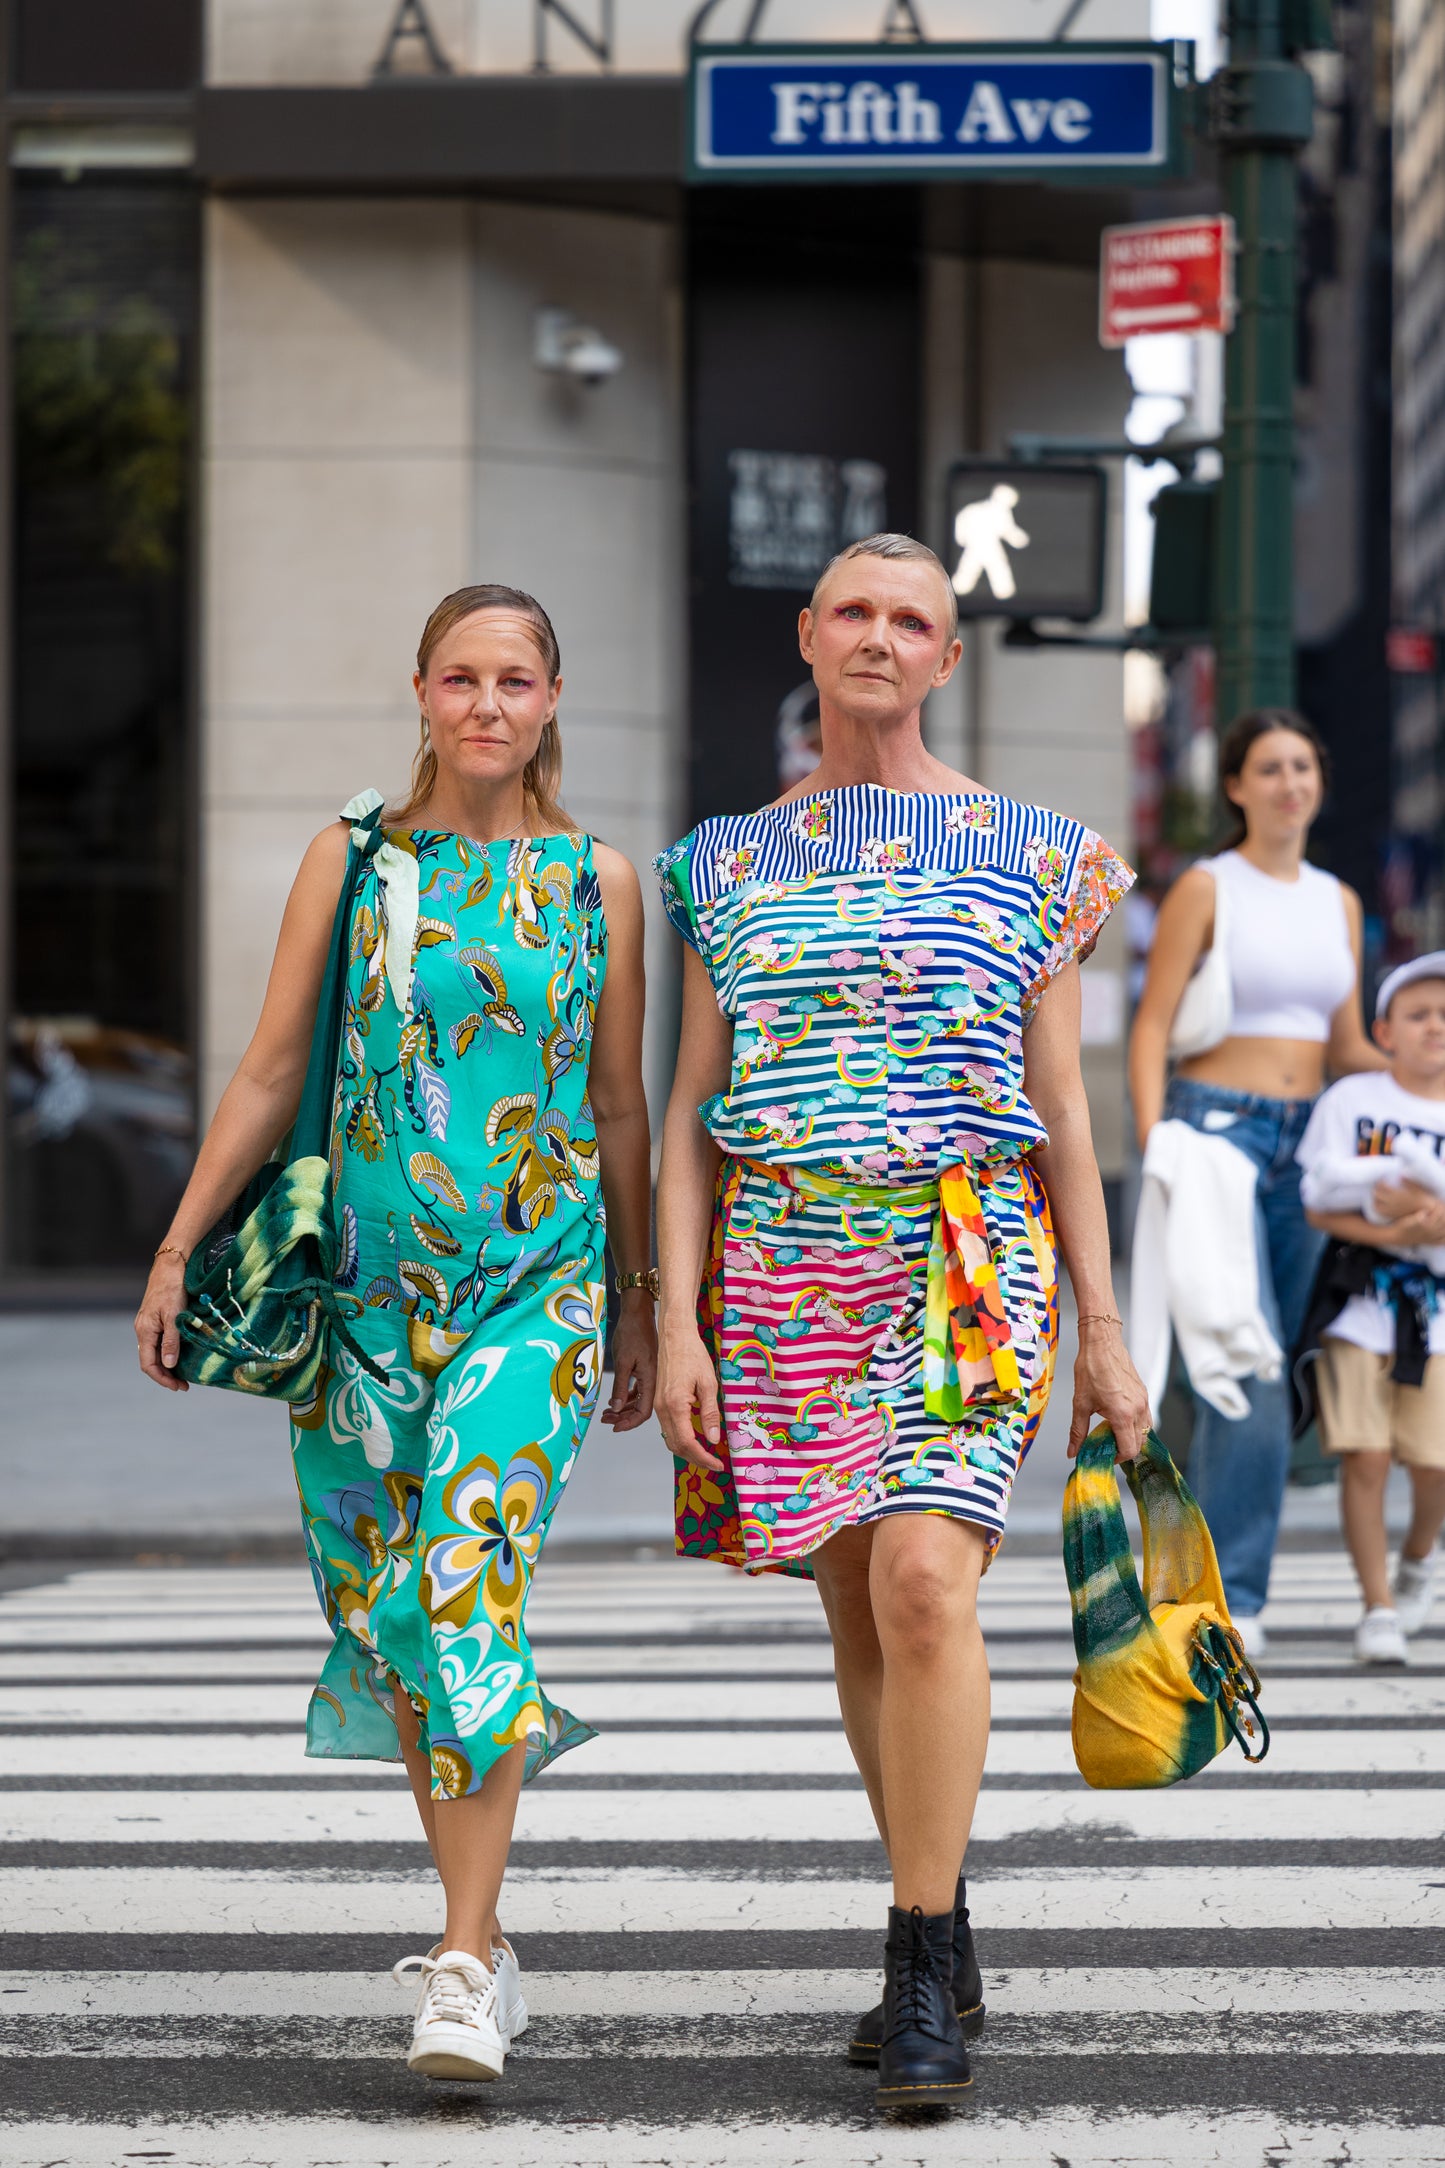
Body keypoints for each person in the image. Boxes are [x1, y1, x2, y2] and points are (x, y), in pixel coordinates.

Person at [134, 583, 656, 2084]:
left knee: (460, 1582)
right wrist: (177, 1249)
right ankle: (477, 1937)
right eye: (459, 679)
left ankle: (464, 1961)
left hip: (535, 1293)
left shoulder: (599, 883)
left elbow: (618, 1103)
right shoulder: (353, 859)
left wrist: (634, 1304)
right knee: (398, 1620)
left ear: (554, 698)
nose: (486, 704)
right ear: (420, 694)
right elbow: (268, 1071)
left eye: (514, 680)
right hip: (364, 1307)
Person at [652, 532, 1148, 2109]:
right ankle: (941, 1899)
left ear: (947, 656)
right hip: (785, 1268)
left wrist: (1107, 1327)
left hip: (962, 1256)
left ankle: (918, 1952)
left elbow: (1064, 1110)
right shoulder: (718, 860)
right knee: (866, 1611)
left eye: (911, 620)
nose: (878, 637)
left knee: (930, 1586)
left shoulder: (1040, 850)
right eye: (852, 612)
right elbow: (688, 1115)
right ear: (807, 637)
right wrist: (677, 1327)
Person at [1128, 710, 1380, 1654]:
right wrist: (1157, 1140)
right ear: (1236, 786)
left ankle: (1195, 1570)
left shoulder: (1338, 901)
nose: (1288, 784)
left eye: (1302, 767)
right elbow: (1152, 1024)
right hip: (1214, 1134)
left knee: (1255, 1361)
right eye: (1269, 769)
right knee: (1248, 1363)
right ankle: (1234, 1592)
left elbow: (1346, 1043)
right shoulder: (1208, 887)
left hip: (1305, 1141)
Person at [1295, 954, 1445, 1664]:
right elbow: (1317, 1200)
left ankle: (1419, 1558)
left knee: (1433, 1461)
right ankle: (1376, 1604)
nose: (1434, 1027)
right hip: (1360, 1303)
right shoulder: (1350, 1101)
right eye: (1417, 1015)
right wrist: (1394, 1232)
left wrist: (1429, 1226)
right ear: (1383, 1030)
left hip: (1437, 1315)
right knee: (1366, 1455)